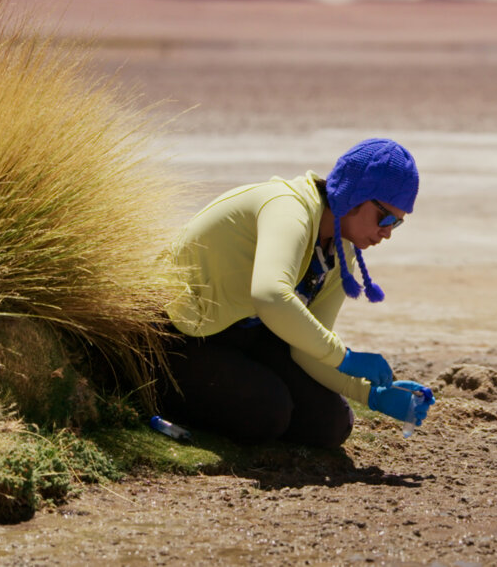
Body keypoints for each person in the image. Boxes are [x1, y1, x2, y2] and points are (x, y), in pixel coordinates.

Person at [157, 138, 436, 448]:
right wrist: (345, 357)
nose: (387, 232)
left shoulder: (342, 250)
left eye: (396, 224)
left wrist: (371, 393)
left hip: (242, 334)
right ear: (357, 195)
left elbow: (307, 349)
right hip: (175, 335)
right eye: (385, 219)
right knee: (267, 411)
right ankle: (146, 395)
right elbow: (270, 296)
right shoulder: (288, 209)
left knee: (330, 425)